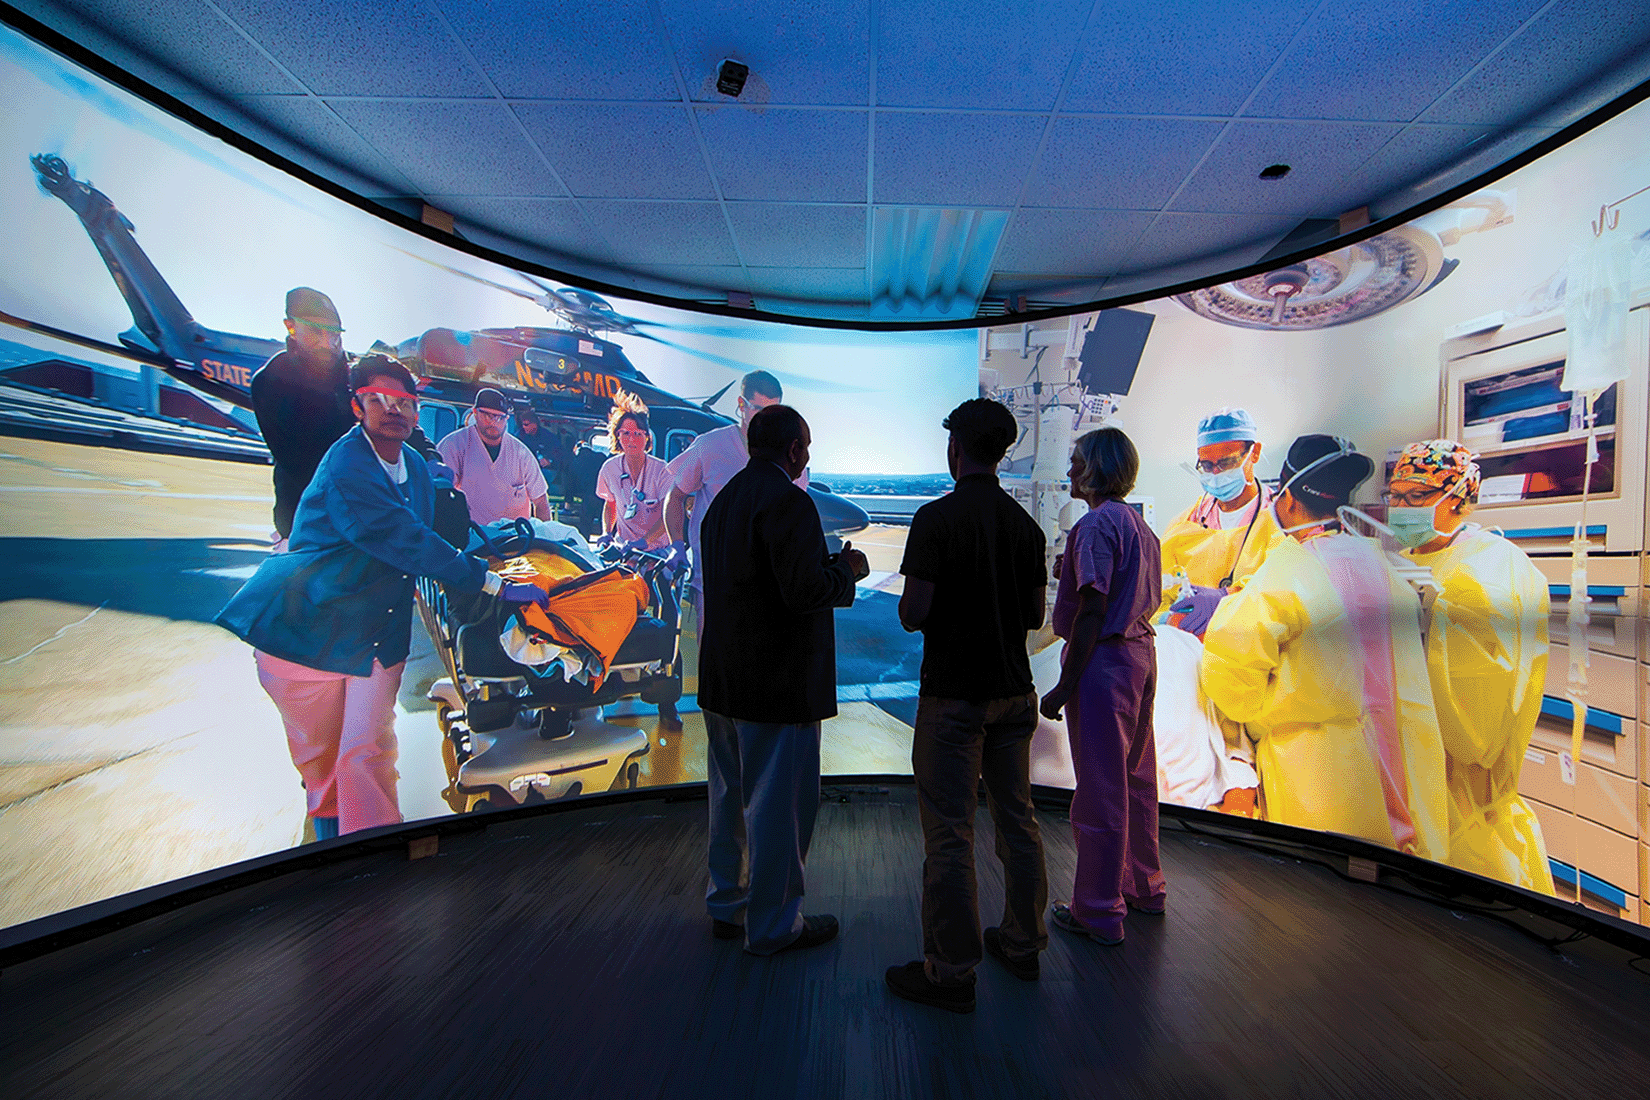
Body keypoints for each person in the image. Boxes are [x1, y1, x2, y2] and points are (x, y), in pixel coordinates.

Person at [217, 356, 542, 839]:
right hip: (310, 630)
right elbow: (403, 537)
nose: (393, 410)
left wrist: (498, 550)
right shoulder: (347, 464)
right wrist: (492, 582)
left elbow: (438, 529)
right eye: (379, 399)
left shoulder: (412, 463)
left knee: (367, 752)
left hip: (376, 629)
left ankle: (374, 865)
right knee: (323, 766)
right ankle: (336, 845)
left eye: (405, 402)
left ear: (416, 411)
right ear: (357, 406)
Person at [1199, 435, 1450, 861]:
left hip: (1318, 772)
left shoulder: (1289, 569)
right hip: (1398, 768)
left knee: (1317, 897)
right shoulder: (1382, 567)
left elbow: (1229, 672)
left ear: (1289, 500)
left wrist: (1264, 715)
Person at [885, 399, 1048, 1014]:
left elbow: (913, 613)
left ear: (956, 449)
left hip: (954, 697)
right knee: (1019, 822)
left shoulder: (933, 520)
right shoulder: (1025, 527)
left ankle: (951, 971)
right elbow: (1033, 616)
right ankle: (1023, 942)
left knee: (950, 835)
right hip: (1014, 693)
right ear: (999, 453)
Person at [697, 405, 869, 955]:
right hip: (776, 684)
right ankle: (773, 926)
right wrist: (848, 570)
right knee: (780, 809)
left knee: (728, 799)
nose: (809, 456)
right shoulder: (790, 502)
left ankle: (728, 905)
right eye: (808, 446)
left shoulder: (722, 504)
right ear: (794, 450)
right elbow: (803, 592)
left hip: (723, 679)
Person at [1388, 440, 1555, 893]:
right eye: (1395, 495)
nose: (1401, 508)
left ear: (1458, 498)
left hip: (1466, 796)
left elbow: (1476, 728)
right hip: (1412, 780)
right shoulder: (1403, 562)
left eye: (1417, 497)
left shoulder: (1491, 566)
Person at [1039, 428, 1166, 946]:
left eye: (1075, 463)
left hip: (1104, 665)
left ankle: (1097, 910)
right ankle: (1145, 887)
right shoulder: (1140, 526)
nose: (1069, 472)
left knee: (1100, 791)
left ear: (1095, 469)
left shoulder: (1093, 526)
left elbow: (1092, 608)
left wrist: (1064, 686)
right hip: (1140, 657)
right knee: (1137, 782)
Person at [1154, 407, 1283, 814]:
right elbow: (1158, 585)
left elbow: (1283, 595)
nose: (1214, 474)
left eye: (1225, 462)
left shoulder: (1276, 522)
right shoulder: (1187, 523)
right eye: (1204, 465)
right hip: (1182, 648)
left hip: (1245, 657)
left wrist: (1225, 604)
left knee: (1228, 738)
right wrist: (1161, 615)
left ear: (1253, 453)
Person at [665, 370, 804, 629]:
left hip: (767, 588)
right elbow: (675, 497)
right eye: (758, 409)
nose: (767, 420)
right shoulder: (710, 446)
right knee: (715, 663)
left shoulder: (789, 456)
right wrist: (677, 545)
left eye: (774, 413)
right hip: (714, 584)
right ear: (741, 405)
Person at [249, 288, 354, 548]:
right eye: (316, 332)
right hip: (305, 519)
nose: (326, 342)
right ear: (291, 327)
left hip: (357, 514)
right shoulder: (271, 381)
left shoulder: (353, 375)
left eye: (334, 334)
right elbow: (301, 462)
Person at [437, 388, 550, 526]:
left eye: (499, 417)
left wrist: (541, 536)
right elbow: (440, 493)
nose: (493, 422)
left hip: (514, 539)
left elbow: (541, 501)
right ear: (475, 413)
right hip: (472, 536)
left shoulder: (522, 454)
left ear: (506, 419)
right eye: (487, 415)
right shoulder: (454, 445)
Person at [596, 388, 672, 550]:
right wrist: (606, 532)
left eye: (638, 433)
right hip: (624, 548)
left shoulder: (662, 470)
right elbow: (610, 504)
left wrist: (645, 542)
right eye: (625, 433)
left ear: (647, 437)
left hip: (656, 550)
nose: (632, 439)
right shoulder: (609, 469)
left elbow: (670, 513)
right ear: (617, 436)